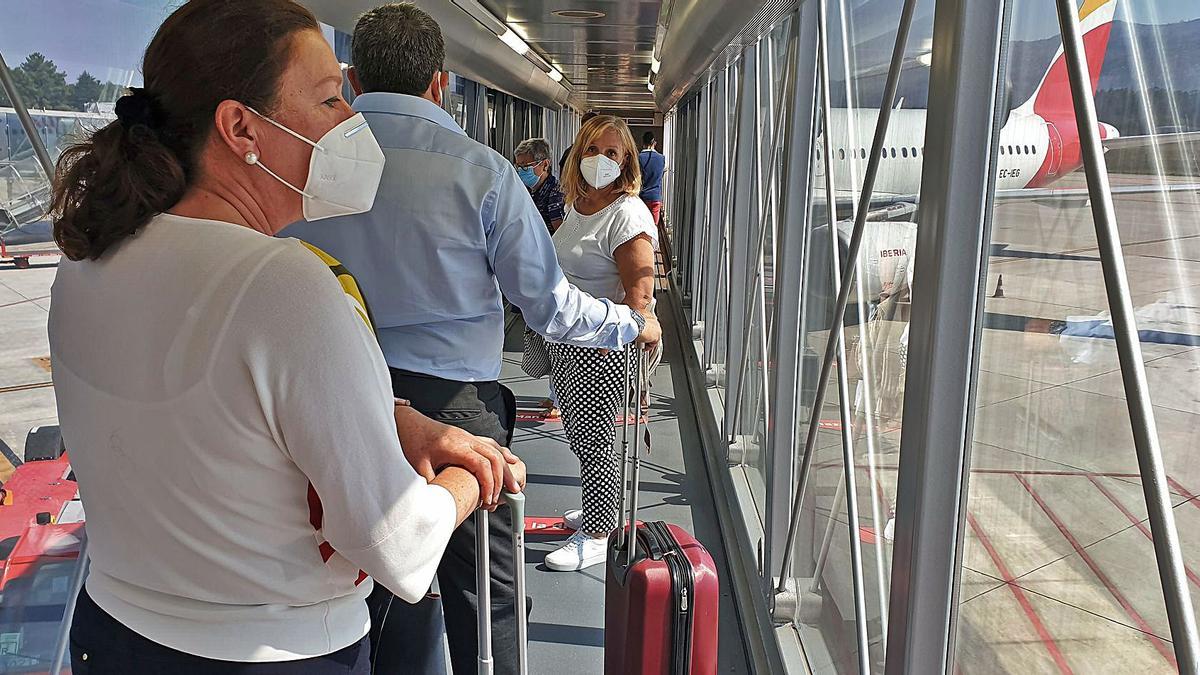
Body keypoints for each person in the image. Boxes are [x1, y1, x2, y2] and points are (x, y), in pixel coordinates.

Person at [47, 1, 523, 672]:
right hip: (275, 654)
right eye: (330, 100)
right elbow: (402, 548)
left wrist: (395, 420)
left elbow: (207, 409)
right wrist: (470, 475)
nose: (352, 123)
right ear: (241, 126)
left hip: (115, 634)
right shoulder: (284, 286)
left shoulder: (87, 261)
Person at [282, 4, 660, 674]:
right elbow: (547, 305)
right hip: (457, 412)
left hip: (338, 399)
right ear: (440, 82)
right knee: (484, 588)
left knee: (353, 570)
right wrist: (627, 321)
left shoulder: (306, 168)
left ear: (353, 76)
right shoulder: (481, 172)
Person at [543, 115, 658, 572]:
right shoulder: (579, 206)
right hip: (569, 340)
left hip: (601, 347)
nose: (601, 160)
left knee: (593, 440)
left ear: (626, 161)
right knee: (578, 432)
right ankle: (599, 506)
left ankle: (598, 530)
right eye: (593, 150)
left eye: (612, 153)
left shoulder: (626, 213)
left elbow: (640, 296)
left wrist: (627, 341)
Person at [514, 137, 564, 234]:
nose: (520, 171)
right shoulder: (526, 191)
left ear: (545, 164)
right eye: (518, 166)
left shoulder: (556, 194)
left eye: (525, 166)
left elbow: (561, 236)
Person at [638, 130, 671, 271]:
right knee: (654, 225)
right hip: (656, 197)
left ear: (643, 142)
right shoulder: (661, 158)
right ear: (654, 143)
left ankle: (642, 248)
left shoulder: (638, 158)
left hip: (641, 197)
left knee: (641, 226)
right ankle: (652, 248)